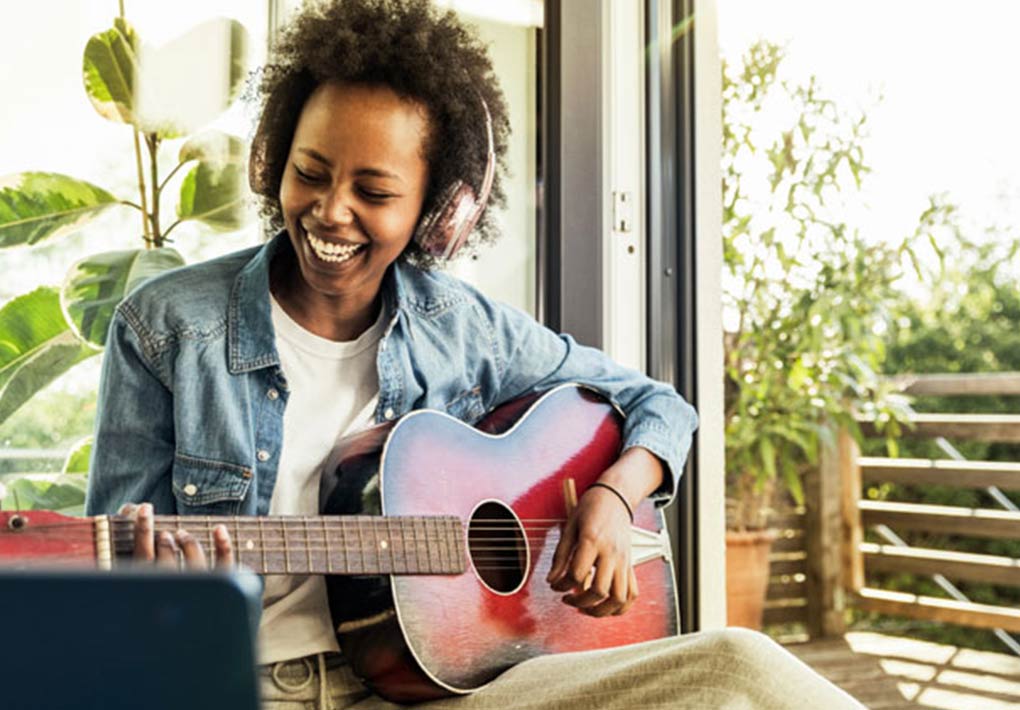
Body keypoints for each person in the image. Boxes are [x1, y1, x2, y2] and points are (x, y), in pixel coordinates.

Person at [85, 1, 862, 708]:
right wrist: (154, 592)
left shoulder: (462, 327)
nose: (331, 211)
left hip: (436, 694)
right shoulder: (165, 328)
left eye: (375, 192)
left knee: (734, 667)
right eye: (309, 174)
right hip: (236, 688)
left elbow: (663, 408)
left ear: (439, 209)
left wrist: (616, 498)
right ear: (272, 162)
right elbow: (106, 569)